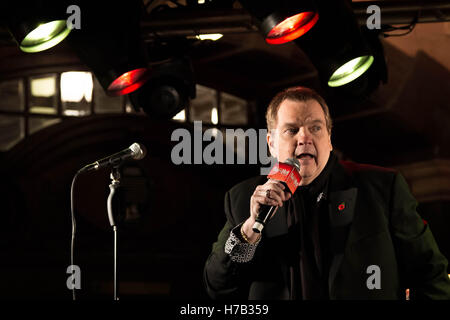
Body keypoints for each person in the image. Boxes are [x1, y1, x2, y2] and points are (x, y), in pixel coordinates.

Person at [203, 86, 450, 300]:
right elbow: (218, 288)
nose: (305, 138)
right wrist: (249, 230)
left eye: (316, 128)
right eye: (291, 130)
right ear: (271, 143)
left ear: (329, 139)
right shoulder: (243, 198)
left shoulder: (381, 188)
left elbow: (431, 275)